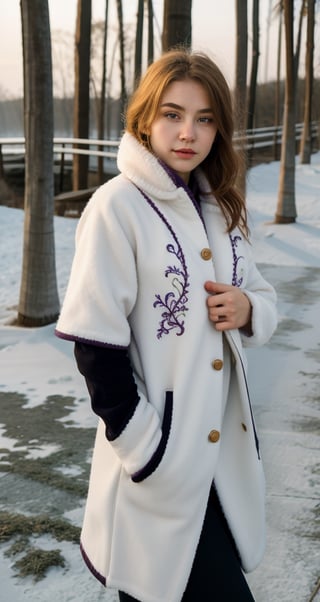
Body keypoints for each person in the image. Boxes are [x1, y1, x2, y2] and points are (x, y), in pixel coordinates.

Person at [55, 49, 277, 602]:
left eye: (204, 119)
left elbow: (261, 291)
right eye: (173, 114)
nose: (188, 132)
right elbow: (95, 345)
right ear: (145, 118)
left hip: (220, 465)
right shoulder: (116, 207)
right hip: (159, 472)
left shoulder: (219, 208)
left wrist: (248, 309)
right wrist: (146, 451)